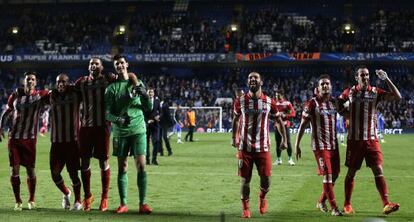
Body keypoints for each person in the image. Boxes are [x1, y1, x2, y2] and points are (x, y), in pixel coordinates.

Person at [75, 57, 138, 211]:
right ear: (88, 66)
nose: (93, 65)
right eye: (91, 63)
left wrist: (136, 83)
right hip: (86, 128)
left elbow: (129, 76)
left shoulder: (109, 79)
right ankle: (88, 196)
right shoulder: (81, 82)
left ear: (101, 67)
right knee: (84, 162)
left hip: (103, 127)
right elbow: (65, 89)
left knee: (103, 162)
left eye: (96, 63)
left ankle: (104, 198)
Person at [338, 67, 401, 215]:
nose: (365, 77)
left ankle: (386, 204)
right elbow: (338, 105)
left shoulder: (375, 92)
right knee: (351, 173)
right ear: (356, 77)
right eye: (362, 75)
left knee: (378, 170)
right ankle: (347, 204)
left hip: (372, 139)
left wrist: (387, 79)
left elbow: (397, 97)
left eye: (367, 75)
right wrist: (347, 114)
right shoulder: (349, 92)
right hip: (355, 140)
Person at [232, 72, 288, 218]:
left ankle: (262, 197)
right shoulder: (240, 101)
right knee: (245, 180)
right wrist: (234, 137)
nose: (252, 80)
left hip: (263, 148)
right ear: (247, 82)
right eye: (250, 78)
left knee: (266, 180)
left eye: (255, 78)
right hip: (245, 148)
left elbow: (278, 121)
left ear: (261, 82)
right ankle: (245, 208)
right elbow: (236, 119)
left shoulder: (269, 101)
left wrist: (284, 139)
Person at [105, 54, 153, 214]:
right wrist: (118, 119)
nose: (119, 65)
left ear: (127, 64)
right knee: (122, 167)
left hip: (138, 130)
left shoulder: (138, 83)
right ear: (115, 67)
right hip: (120, 133)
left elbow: (148, 107)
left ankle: (143, 203)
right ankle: (123, 203)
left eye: (122, 63)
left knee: (141, 166)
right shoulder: (111, 89)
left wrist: (145, 95)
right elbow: (107, 114)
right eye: (116, 64)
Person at [295, 74, 342, 216]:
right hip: (320, 146)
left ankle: (321, 201)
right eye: (322, 84)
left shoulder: (335, 102)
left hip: (334, 145)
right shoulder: (312, 103)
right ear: (318, 88)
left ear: (331, 87)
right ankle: (334, 208)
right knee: (327, 176)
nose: (325, 86)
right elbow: (303, 125)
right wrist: (297, 144)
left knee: (335, 175)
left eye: (327, 83)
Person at [0, 71, 49, 210]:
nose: (30, 81)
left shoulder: (41, 95)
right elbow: (7, 111)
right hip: (14, 139)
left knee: (30, 171)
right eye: (28, 79)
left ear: (36, 82)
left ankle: (31, 199)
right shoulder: (15, 95)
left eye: (33, 79)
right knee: (13, 171)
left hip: (30, 140)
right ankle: (18, 201)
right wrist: (0, 128)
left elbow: (54, 94)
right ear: (24, 81)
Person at [47, 74, 82, 210]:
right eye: (58, 82)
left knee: (73, 173)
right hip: (56, 142)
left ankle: (78, 200)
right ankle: (67, 193)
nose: (60, 84)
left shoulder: (76, 94)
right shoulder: (51, 95)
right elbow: (36, 95)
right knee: (54, 173)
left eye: (63, 82)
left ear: (69, 83)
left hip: (72, 142)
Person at [273, 89, 296, 166]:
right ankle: (279, 159)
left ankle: (290, 159)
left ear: (282, 95)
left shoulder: (287, 103)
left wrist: (285, 115)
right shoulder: (274, 103)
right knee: (278, 143)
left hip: (286, 125)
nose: (276, 96)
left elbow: (293, 114)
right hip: (277, 126)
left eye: (278, 95)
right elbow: (271, 114)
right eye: (276, 95)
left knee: (288, 142)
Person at [144, 88, 161, 165]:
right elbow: (142, 113)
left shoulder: (157, 101)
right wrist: (147, 120)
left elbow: (161, 112)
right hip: (147, 125)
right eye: (150, 92)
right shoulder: (145, 101)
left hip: (155, 125)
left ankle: (154, 159)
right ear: (148, 93)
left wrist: (158, 116)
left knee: (156, 141)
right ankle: (147, 159)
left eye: (152, 92)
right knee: (146, 143)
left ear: (154, 93)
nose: (151, 93)